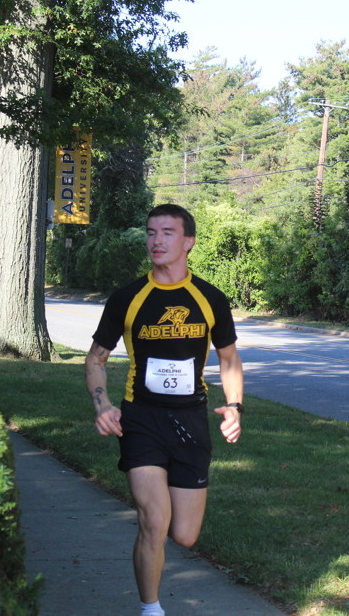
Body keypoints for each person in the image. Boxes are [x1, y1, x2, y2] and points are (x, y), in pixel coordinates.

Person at [85, 204, 244, 616]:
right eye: (151, 232)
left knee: (185, 535)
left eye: (167, 233)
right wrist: (103, 404)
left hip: (191, 420)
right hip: (141, 419)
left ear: (188, 242)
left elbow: (229, 358)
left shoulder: (209, 298)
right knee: (154, 521)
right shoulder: (128, 298)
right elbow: (96, 358)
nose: (156, 240)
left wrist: (234, 406)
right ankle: (151, 608)